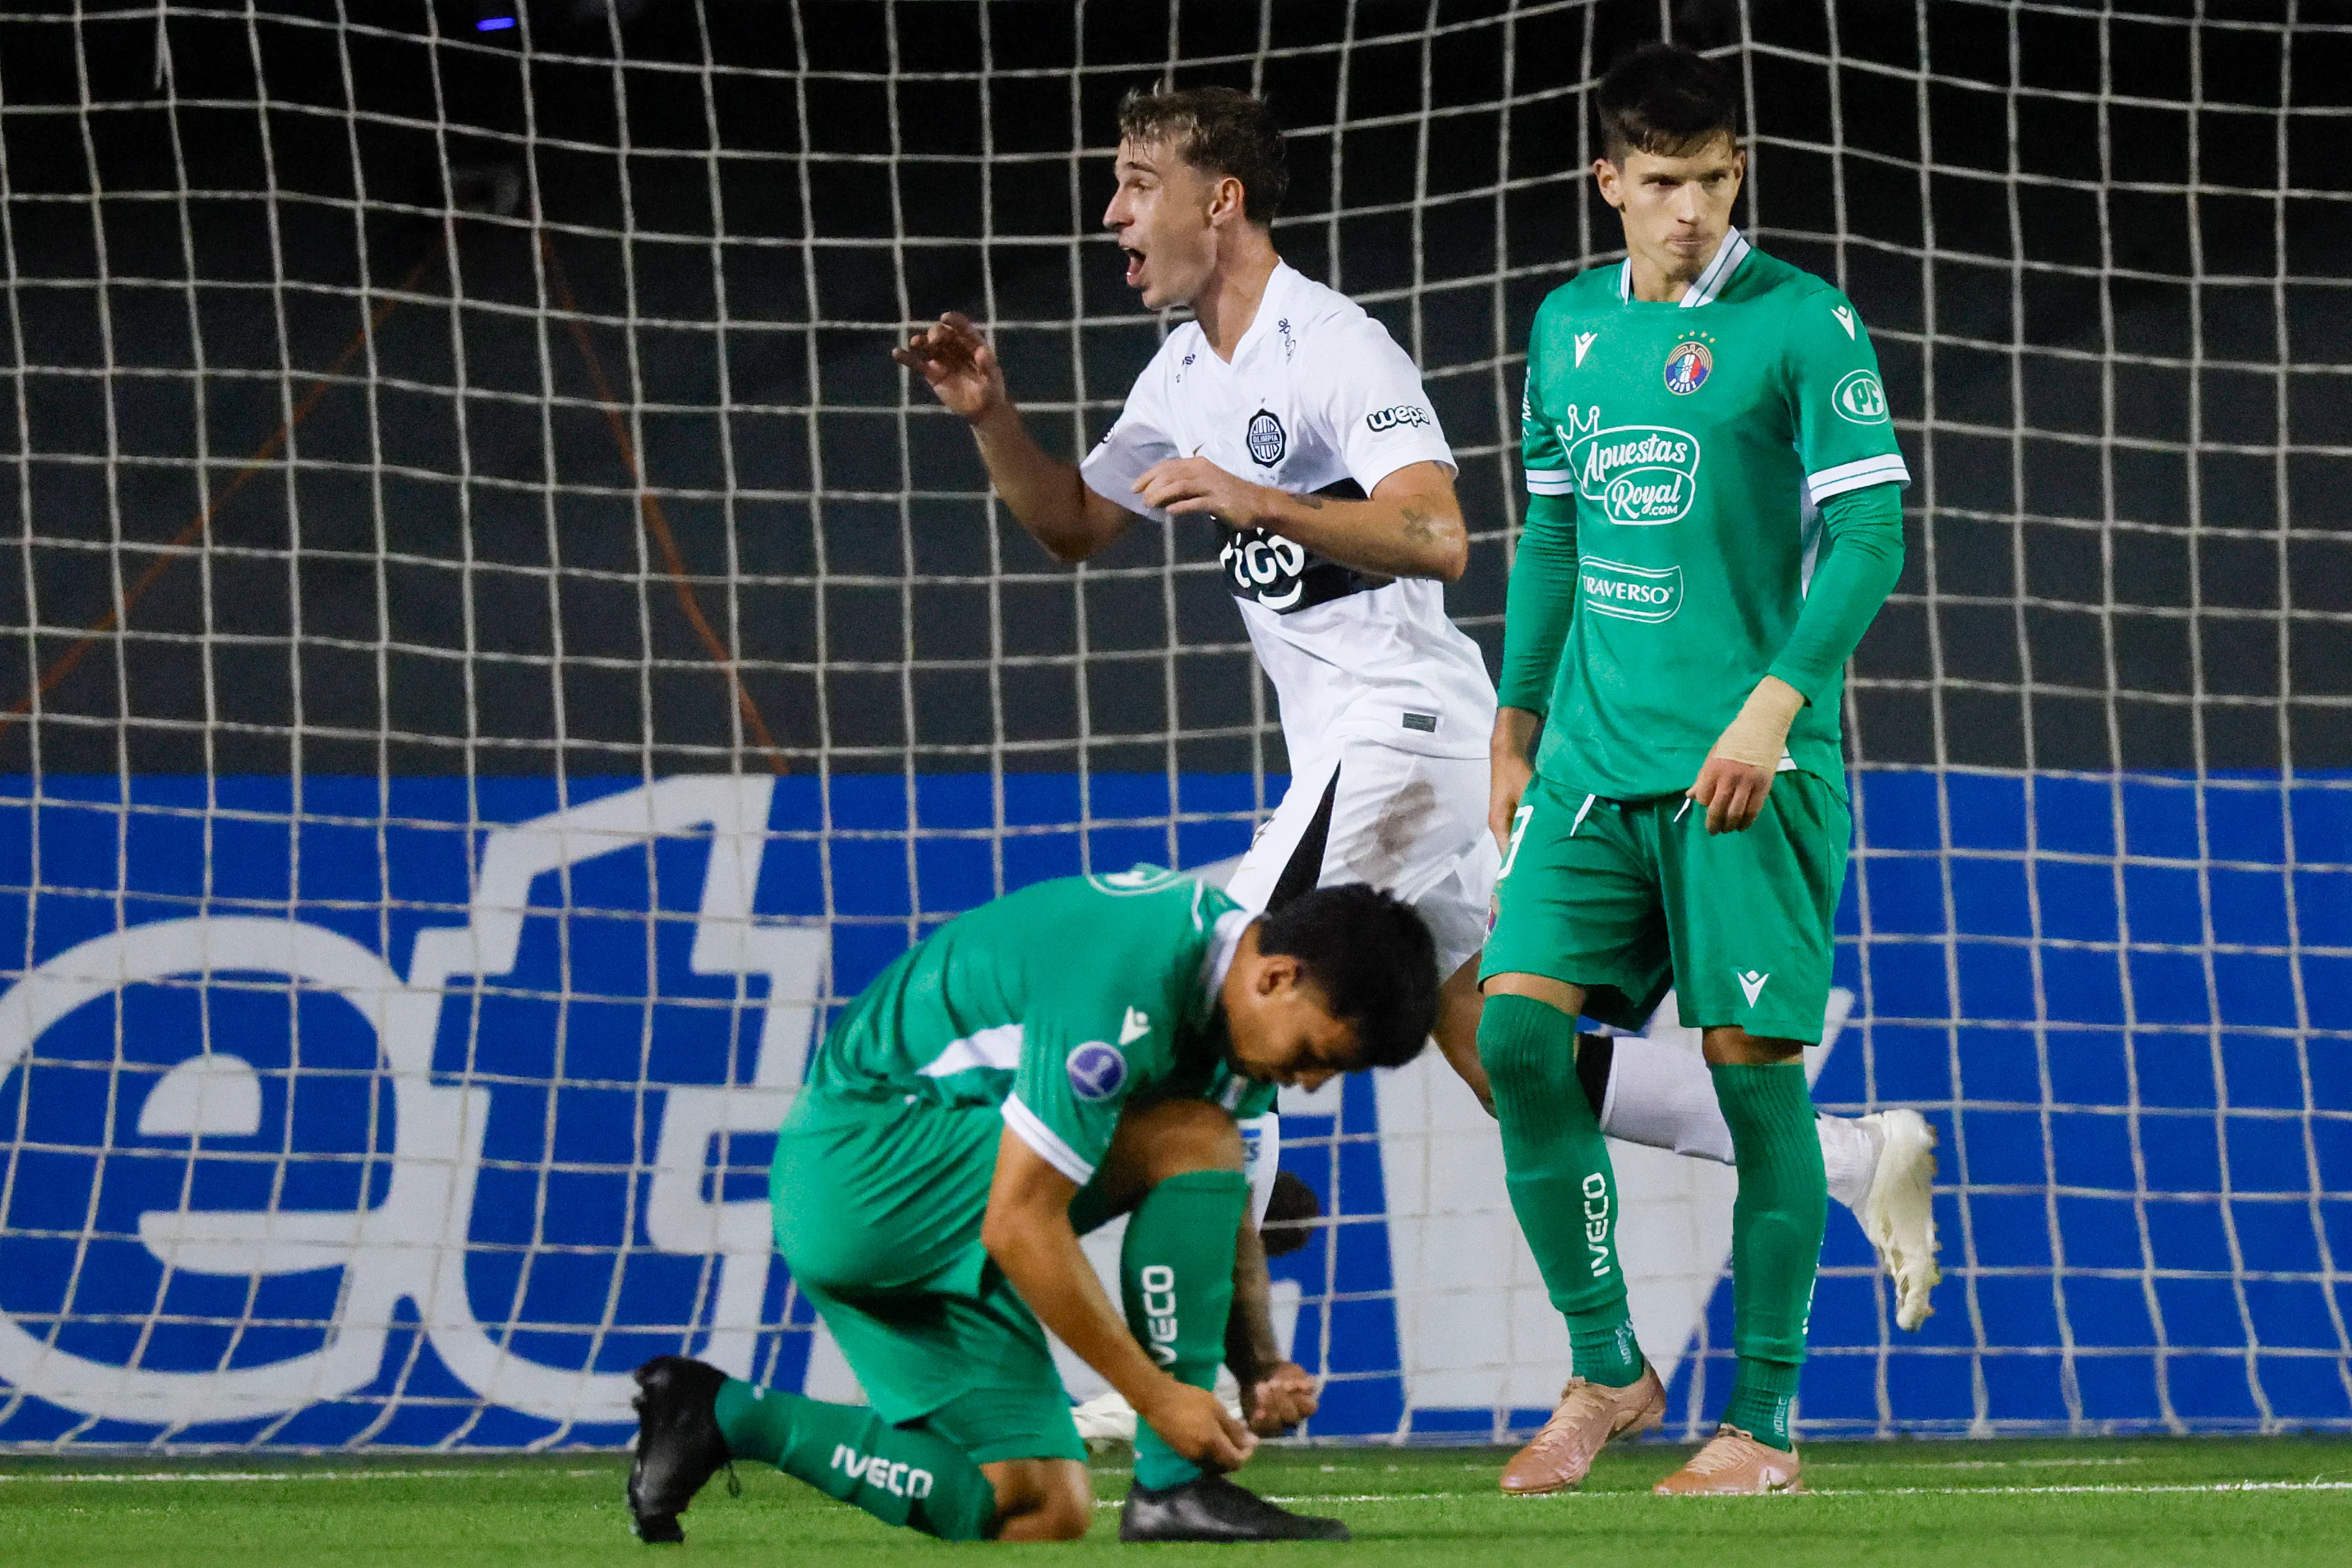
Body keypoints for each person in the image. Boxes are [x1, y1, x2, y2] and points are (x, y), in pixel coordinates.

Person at [892, 78, 1936, 1449]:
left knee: (1224, 986)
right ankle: (1859, 1156)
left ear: (1219, 201)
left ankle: (1194, 1373)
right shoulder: (1182, 372)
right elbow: (1076, 524)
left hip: (1400, 733)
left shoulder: (1332, 348)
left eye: (1133, 181)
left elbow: (1441, 538)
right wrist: (987, 415)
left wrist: (1264, 499)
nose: (1111, 212)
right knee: (1508, 1054)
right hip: (1384, 749)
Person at [1480, 43, 1916, 1497]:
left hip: (1751, 769)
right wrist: (1514, 722)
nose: (1692, 210)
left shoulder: (1805, 323)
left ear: (1740, 174)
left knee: (1754, 1086)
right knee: (1519, 1040)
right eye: (1662, 183)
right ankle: (1607, 1363)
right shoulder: (1564, 331)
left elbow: (1870, 539)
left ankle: (1763, 1427)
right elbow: (1550, 537)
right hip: (1596, 767)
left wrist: (1774, 706)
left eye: (1715, 180)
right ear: (1608, 182)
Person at [625, 869, 1437, 1544]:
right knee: (1194, 1135)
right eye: (1314, 1057)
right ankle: (1173, 1486)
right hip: (860, 1168)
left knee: (1037, 1505)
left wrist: (1257, 1365)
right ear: (1277, 977)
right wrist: (1156, 1399)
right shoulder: (1128, 979)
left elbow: (1221, 1201)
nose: (1309, 1082)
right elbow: (1020, 1221)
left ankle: (724, 1412)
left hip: (919, 1211)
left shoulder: (1235, 1018)